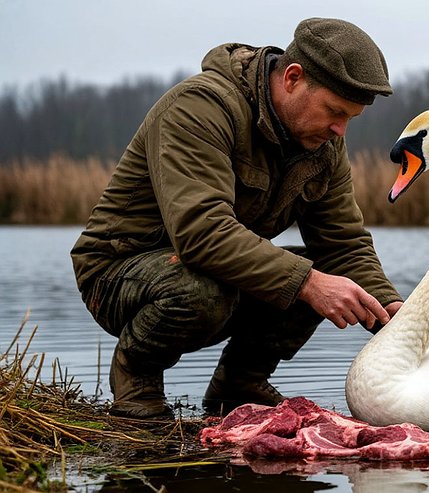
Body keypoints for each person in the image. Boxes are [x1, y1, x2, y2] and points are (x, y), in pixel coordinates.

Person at [70, 18, 403, 419]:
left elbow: (343, 244)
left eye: (351, 118)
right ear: (293, 78)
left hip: (208, 272)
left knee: (324, 276)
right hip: (117, 271)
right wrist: (309, 282)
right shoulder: (199, 108)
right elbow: (201, 233)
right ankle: (136, 378)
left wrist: (392, 312)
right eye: (334, 112)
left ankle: (239, 384)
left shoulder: (322, 143)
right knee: (255, 285)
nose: (340, 130)